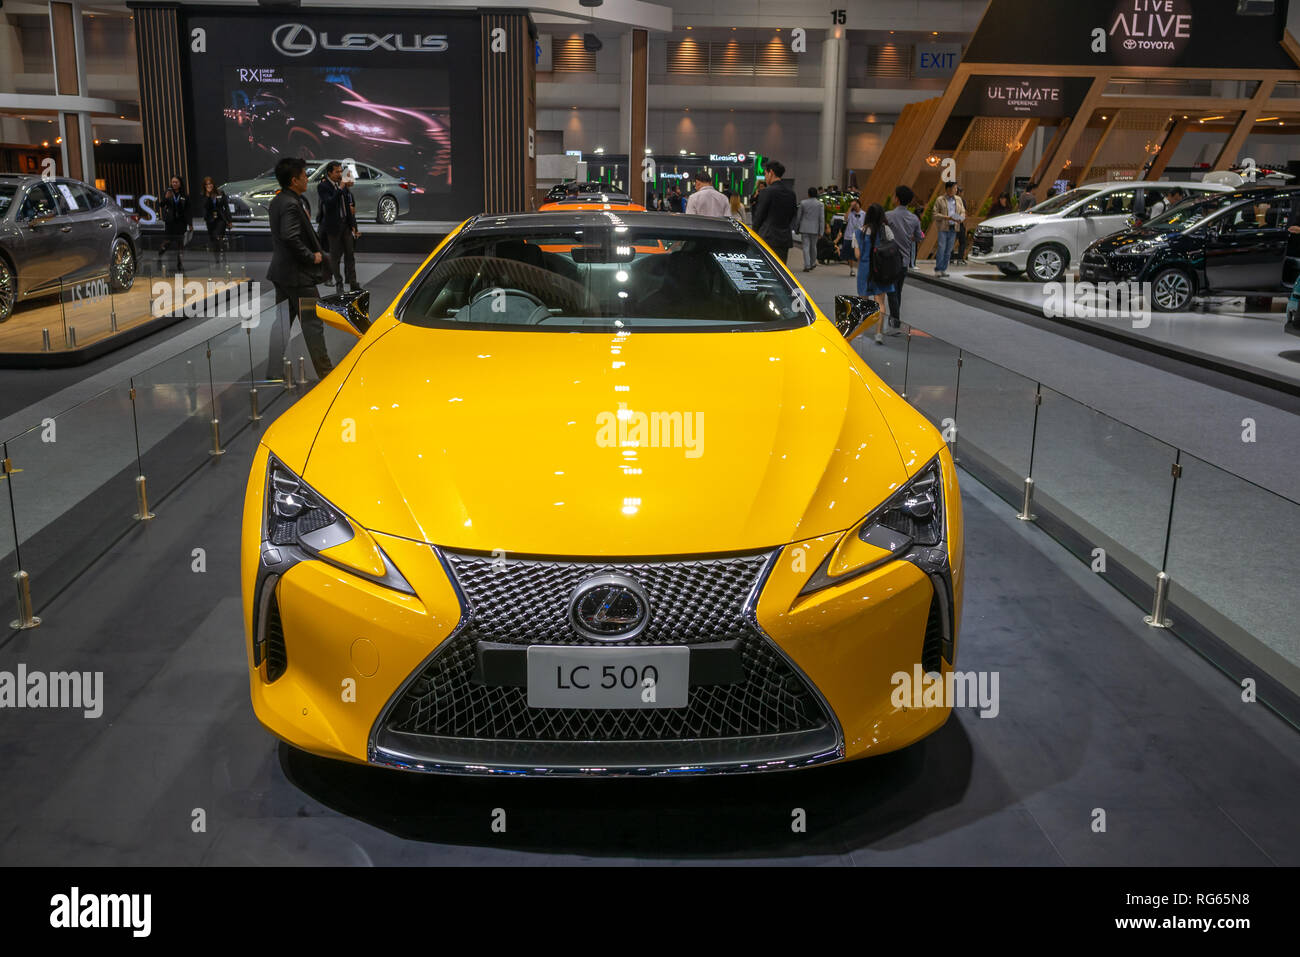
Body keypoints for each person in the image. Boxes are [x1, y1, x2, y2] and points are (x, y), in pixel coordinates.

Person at [266, 156, 333, 383]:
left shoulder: (279, 201)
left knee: (282, 323)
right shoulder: (291, 204)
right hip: (298, 277)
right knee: (313, 323)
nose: (307, 179)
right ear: (294, 180)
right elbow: (290, 236)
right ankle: (326, 373)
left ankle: (273, 372)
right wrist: (310, 257)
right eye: (304, 176)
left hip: (282, 274)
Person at [883, 185, 924, 334]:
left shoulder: (888, 216)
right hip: (904, 261)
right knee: (897, 291)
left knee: (892, 292)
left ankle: (895, 322)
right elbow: (919, 237)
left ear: (897, 199)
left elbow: (882, 234)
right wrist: (909, 237)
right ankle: (894, 320)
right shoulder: (913, 218)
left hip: (890, 259)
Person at [853, 202, 895, 344]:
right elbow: (892, 248)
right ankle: (878, 333)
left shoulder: (860, 231)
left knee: (863, 301)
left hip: (865, 269)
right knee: (880, 301)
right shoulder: (886, 230)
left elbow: (857, 255)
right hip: (882, 270)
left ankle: (861, 331)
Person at [317, 161, 360, 291]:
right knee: (335, 257)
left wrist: (353, 225)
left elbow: (348, 207)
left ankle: (353, 282)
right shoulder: (323, 186)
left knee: (350, 255)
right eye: (337, 171)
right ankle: (339, 283)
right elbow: (329, 203)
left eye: (341, 171)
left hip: (345, 225)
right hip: (333, 227)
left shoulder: (343, 186)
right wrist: (340, 189)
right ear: (330, 173)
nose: (340, 174)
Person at [752, 160, 797, 266]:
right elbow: (792, 215)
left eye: (765, 174)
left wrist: (754, 234)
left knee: (767, 270)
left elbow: (759, 217)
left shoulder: (767, 192)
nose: (765, 177)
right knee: (781, 270)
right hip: (784, 238)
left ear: (771, 172)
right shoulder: (791, 193)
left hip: (768, 238)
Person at [930, 180, 964, 277]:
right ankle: (938, 269)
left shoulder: (958, 199)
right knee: (941, 248)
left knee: (948, 250)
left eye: (956, 188)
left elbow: (962, 211)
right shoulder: (940, 199)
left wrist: (961, 218)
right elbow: (934, 214)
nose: (956, 190)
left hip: (954, 227)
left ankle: (943, 269)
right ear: (948, 189)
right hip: (943, 228)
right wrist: (948, 217)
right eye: (955, 188)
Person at [157, 175, 189, 272]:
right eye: (173, 182)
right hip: (170, 222)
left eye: (176, 182)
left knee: (180, 244)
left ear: (180, 183)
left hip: (181, 222)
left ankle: (180, 264)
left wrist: (190, 223)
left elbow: (188, 209)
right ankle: (160, 252)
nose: (174, 184)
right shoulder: (168, 192)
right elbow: (161, 205)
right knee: (168, 241)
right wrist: (166, 198)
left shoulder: (184, 194)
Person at [200, 176, 232, 265]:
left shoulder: (220, 193)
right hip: (210, 219)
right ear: (204, 186)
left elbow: (226, 207)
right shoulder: (203, 195)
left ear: (213, 184)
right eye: (207, 184)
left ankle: (222, 254)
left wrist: (229, 221)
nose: (209, 186)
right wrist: (208, 196)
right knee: (213, 239)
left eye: (210, 184)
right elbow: (205, 206)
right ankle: (217, 259)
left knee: (219, 236)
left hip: (220, 218)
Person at [793, 186, 826, 272]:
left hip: (804, 228)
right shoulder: (820, 204)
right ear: (816, 194)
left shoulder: (803, 203)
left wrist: (796, 228)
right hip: (815, 228)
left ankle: (807, 265)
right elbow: (822, 219)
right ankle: (813, 263)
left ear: (808, 194)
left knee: (806, 247)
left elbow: (799, 217)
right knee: (813, 246)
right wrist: (821, 231)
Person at [843, 199, 865, 276]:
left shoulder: (864, 214)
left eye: (856, 204)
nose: (855, 206)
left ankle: (860, 269)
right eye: (853, 205)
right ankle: (852, 269)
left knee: (859, 254)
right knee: (850, 254)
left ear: (859, 204)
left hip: (859, 236)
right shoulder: (850, 213)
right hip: (849, 235)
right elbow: (845, 218)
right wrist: (850, 207)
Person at [953, 184, 969, 265]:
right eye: (962, 192)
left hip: (953, 223)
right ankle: (960, 259)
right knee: (962, 242)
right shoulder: (962, 201)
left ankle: (950, 259)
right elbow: (964, 213)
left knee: (952, 242)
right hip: (960, 224)